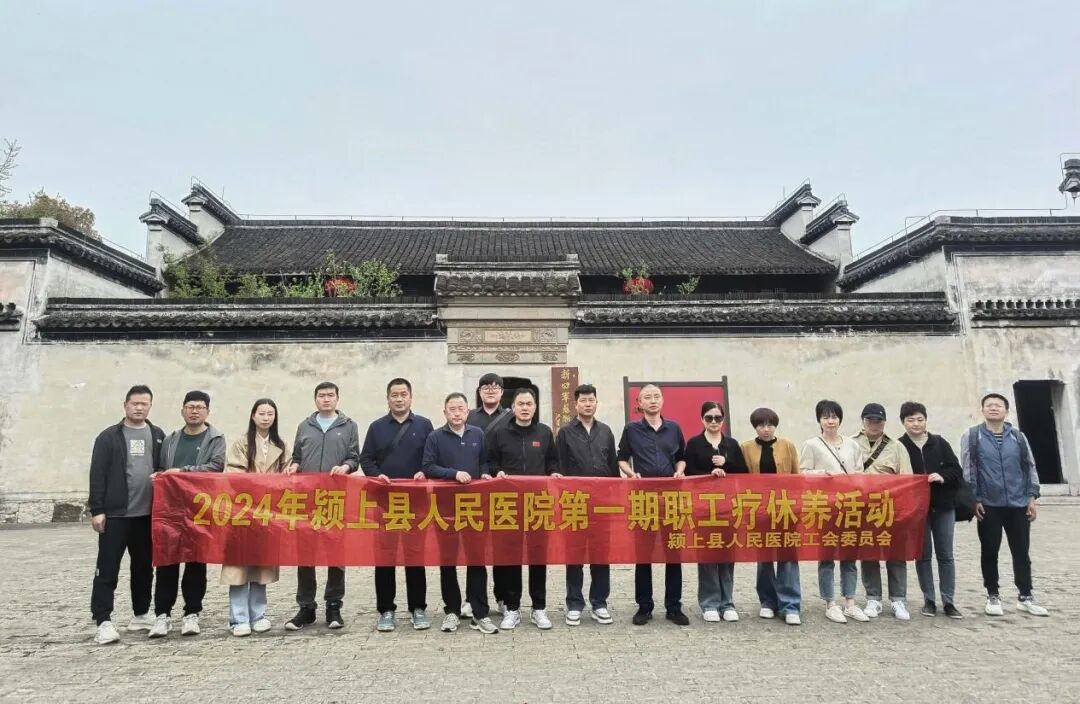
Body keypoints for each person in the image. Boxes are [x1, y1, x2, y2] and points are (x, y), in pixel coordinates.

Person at [89, 385, 165, 645]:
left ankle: (141, 614)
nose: (139, 408)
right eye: (135, 403)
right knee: (107, 568)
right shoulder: (109, 437)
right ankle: (103, 620)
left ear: (150, 406)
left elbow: (163, 468)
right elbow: (97, 474)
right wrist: (97, 510)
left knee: (143, 567)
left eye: (144, 404)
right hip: (116, 515)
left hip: (146, 515)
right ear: (125, 405)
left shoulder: (157, 435)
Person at [961, 392, 1048, 617]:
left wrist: (1032, 497)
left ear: (1006, 411)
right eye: (989, 405)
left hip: (1018, 504)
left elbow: (1029, 467)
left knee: (1021, 552)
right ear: (982, 410)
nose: (993, 408)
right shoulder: (973, 436)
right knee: (990, 551)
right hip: (988, 504)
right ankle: (993, 595)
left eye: (998, 405)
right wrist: (974, 499)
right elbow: (968, 469)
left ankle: (1025, 596)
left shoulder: (1018, 437)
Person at [283, 381, 360, 631]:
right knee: (305, 554)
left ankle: (334, 605)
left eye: (330, 395)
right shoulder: (305, 426)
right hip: (306, 500)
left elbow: (354, 458)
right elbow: (297, 457)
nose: (326, 399)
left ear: (337, 398)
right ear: (315, 399)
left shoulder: (349, 426)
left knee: (335, 553)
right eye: (321, 395)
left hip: (335, 499)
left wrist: (346, 467)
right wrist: (294, 466)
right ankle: (306, 607)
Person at [360, 378, 435, 633]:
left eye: (403, 394)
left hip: (416, 503)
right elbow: (366, 459)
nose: (399, 399)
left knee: (415, 555)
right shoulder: (377, 427)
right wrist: (376, 475)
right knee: (385, 557)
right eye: (395, 395)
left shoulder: (424, 425)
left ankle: (418, 608)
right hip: (385, 502)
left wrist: (425, 472)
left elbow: (431, 458)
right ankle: (386, 610)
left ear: (411, 397)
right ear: (388, 398)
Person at [149, 390, 226, 638]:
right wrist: (161, 475)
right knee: (166, 562)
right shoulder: (170, 439)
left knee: (196, 562)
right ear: (182, 410)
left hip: (199, 509)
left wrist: (182, 471)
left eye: (200, 407)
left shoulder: (216, 438)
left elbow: (215, 467)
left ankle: (192, 613)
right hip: (170, 509)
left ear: (207, 412)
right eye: (190, 407)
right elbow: (162, 468)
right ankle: (162, 614)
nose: (195, 411)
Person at [422, 392, 499, 634]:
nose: (457, 413)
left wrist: (484, 473)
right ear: (445, 412)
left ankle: (480, 613)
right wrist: (453, 474)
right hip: (445, 509)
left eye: (461, 409)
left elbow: (484, 461)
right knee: (448, 561)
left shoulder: (477, 434)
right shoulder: (435, 437)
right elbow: (428, 466)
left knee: (477, 560)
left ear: (468, 412)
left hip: (474, 507)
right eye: (452, 409)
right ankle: (452, 611)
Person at [487, 387, 560, 630]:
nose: (525, 408)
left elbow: (552, 461)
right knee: (511, 557)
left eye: (529, 404)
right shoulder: (500, 433)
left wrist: (554, 473)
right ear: (513, 407)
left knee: (538, 557)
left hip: (538, 504)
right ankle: (512, 608)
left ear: (535, 407)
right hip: (508, 505)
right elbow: (491, 461)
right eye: (521, 404)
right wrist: (497, 471)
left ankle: (539, 608)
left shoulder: (544, 432)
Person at [617, 384, 689, 626]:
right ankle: (644, 606)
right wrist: (631, 473)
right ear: (639, 403)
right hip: (643, 498)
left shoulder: (674, 428)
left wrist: (679, 471)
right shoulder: (631, 429)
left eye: (656, 396)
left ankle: (674, 607)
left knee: (673, 552)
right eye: (647, 397)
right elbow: (621, 459)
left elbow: (681, 458)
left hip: (671, 498)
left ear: (663, 400)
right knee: (643, 553)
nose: (653, 400)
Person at [221, 398, 288, 636]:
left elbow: (288, 474)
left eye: (270, 413)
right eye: (262, 413)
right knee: (239, 565)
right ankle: (238, 618)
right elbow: (234, 474)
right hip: (243, 511)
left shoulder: (281, 445)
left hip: (268, 512)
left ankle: (258, 615)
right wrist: (259, 485)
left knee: (261, 566)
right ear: (253, 416)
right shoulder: (241, 444)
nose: (266, 417)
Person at [555, 383, 618, 626]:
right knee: (575, 554)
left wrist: (614, 499)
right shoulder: (565, 432)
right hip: (575, 503)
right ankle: (574, 603)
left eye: (591, 400)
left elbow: (612, 466)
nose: (588, 404)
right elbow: (560, 468)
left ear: (596, 402)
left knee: (601, 554)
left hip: (602, 504)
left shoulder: (606, 431)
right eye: (583, 400)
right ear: (576, 404)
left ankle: (599, 603)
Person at [800, 400, 868, 624]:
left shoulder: (852, 445)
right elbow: (803, 473)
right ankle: (830, 603)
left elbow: (860, 472)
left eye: (834, 417)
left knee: (850, 556)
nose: (830, 421)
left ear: (840, 419)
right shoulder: (811, 444)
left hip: (850, 505)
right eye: (826, 417)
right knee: (827, 556)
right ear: (819, 420)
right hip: (825, 506)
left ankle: (850, 601)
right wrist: (824, 474)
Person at [898, 401, 964, 619]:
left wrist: (942, 476)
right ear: (903, 422)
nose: (916, 424)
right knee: (923, 555)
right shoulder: (899, 446)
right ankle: (929, 600)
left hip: (943, 506)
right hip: (917, 510)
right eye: (910, 420)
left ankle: (949, 601)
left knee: (946, 555)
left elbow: (956, 470)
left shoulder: (939, 442)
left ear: (926, 420)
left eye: (920, 419)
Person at [685, 401, 748, 624]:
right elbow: (689, 473)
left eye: (718, 418)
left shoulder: (732, 444)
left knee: (727, 555)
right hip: (704, 508)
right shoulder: (694, 444)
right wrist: (710, 472)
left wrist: (726, 463)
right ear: (702, 419)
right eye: (709, 418)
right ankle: (710, 602)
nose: (713, 422)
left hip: (729, 507)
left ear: (723, 420)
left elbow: (744, 472)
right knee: (707, 555)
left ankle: (727, 602)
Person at [740, 407, 803, 626]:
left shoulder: (787, 445)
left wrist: (797, 504)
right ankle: (767, 601)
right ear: (755, 427)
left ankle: (790, 604)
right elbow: (741, 478)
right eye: (761, 425)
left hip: (785, 507)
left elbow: (797, 476)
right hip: (759, 508)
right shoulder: (746, 448)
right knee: (764, 556)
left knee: (788, 556)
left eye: (770, 425)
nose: (766, 429)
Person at [854, 402, 913, 621]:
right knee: (868, 552)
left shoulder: (896, 446)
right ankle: (873, 598)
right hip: (861, 507)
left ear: (884, 422)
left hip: (890, 507)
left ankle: (898, 599)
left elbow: (906, 478)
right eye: (870, 420)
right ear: (863, 421)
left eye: (878, 420)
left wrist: (904, 510)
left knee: (895, 553)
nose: (874, 424)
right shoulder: (850, 444)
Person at [466, 372, 513, 615]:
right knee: (474, 547)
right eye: (486, 386)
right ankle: (471, 599)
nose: (491, 390)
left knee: (502, 548)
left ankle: (503, 597)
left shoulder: (512, 417)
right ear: (479, 391)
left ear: (502, 392)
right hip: (472, 490)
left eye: (495, 387)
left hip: (501, 490)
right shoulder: (469, 416)